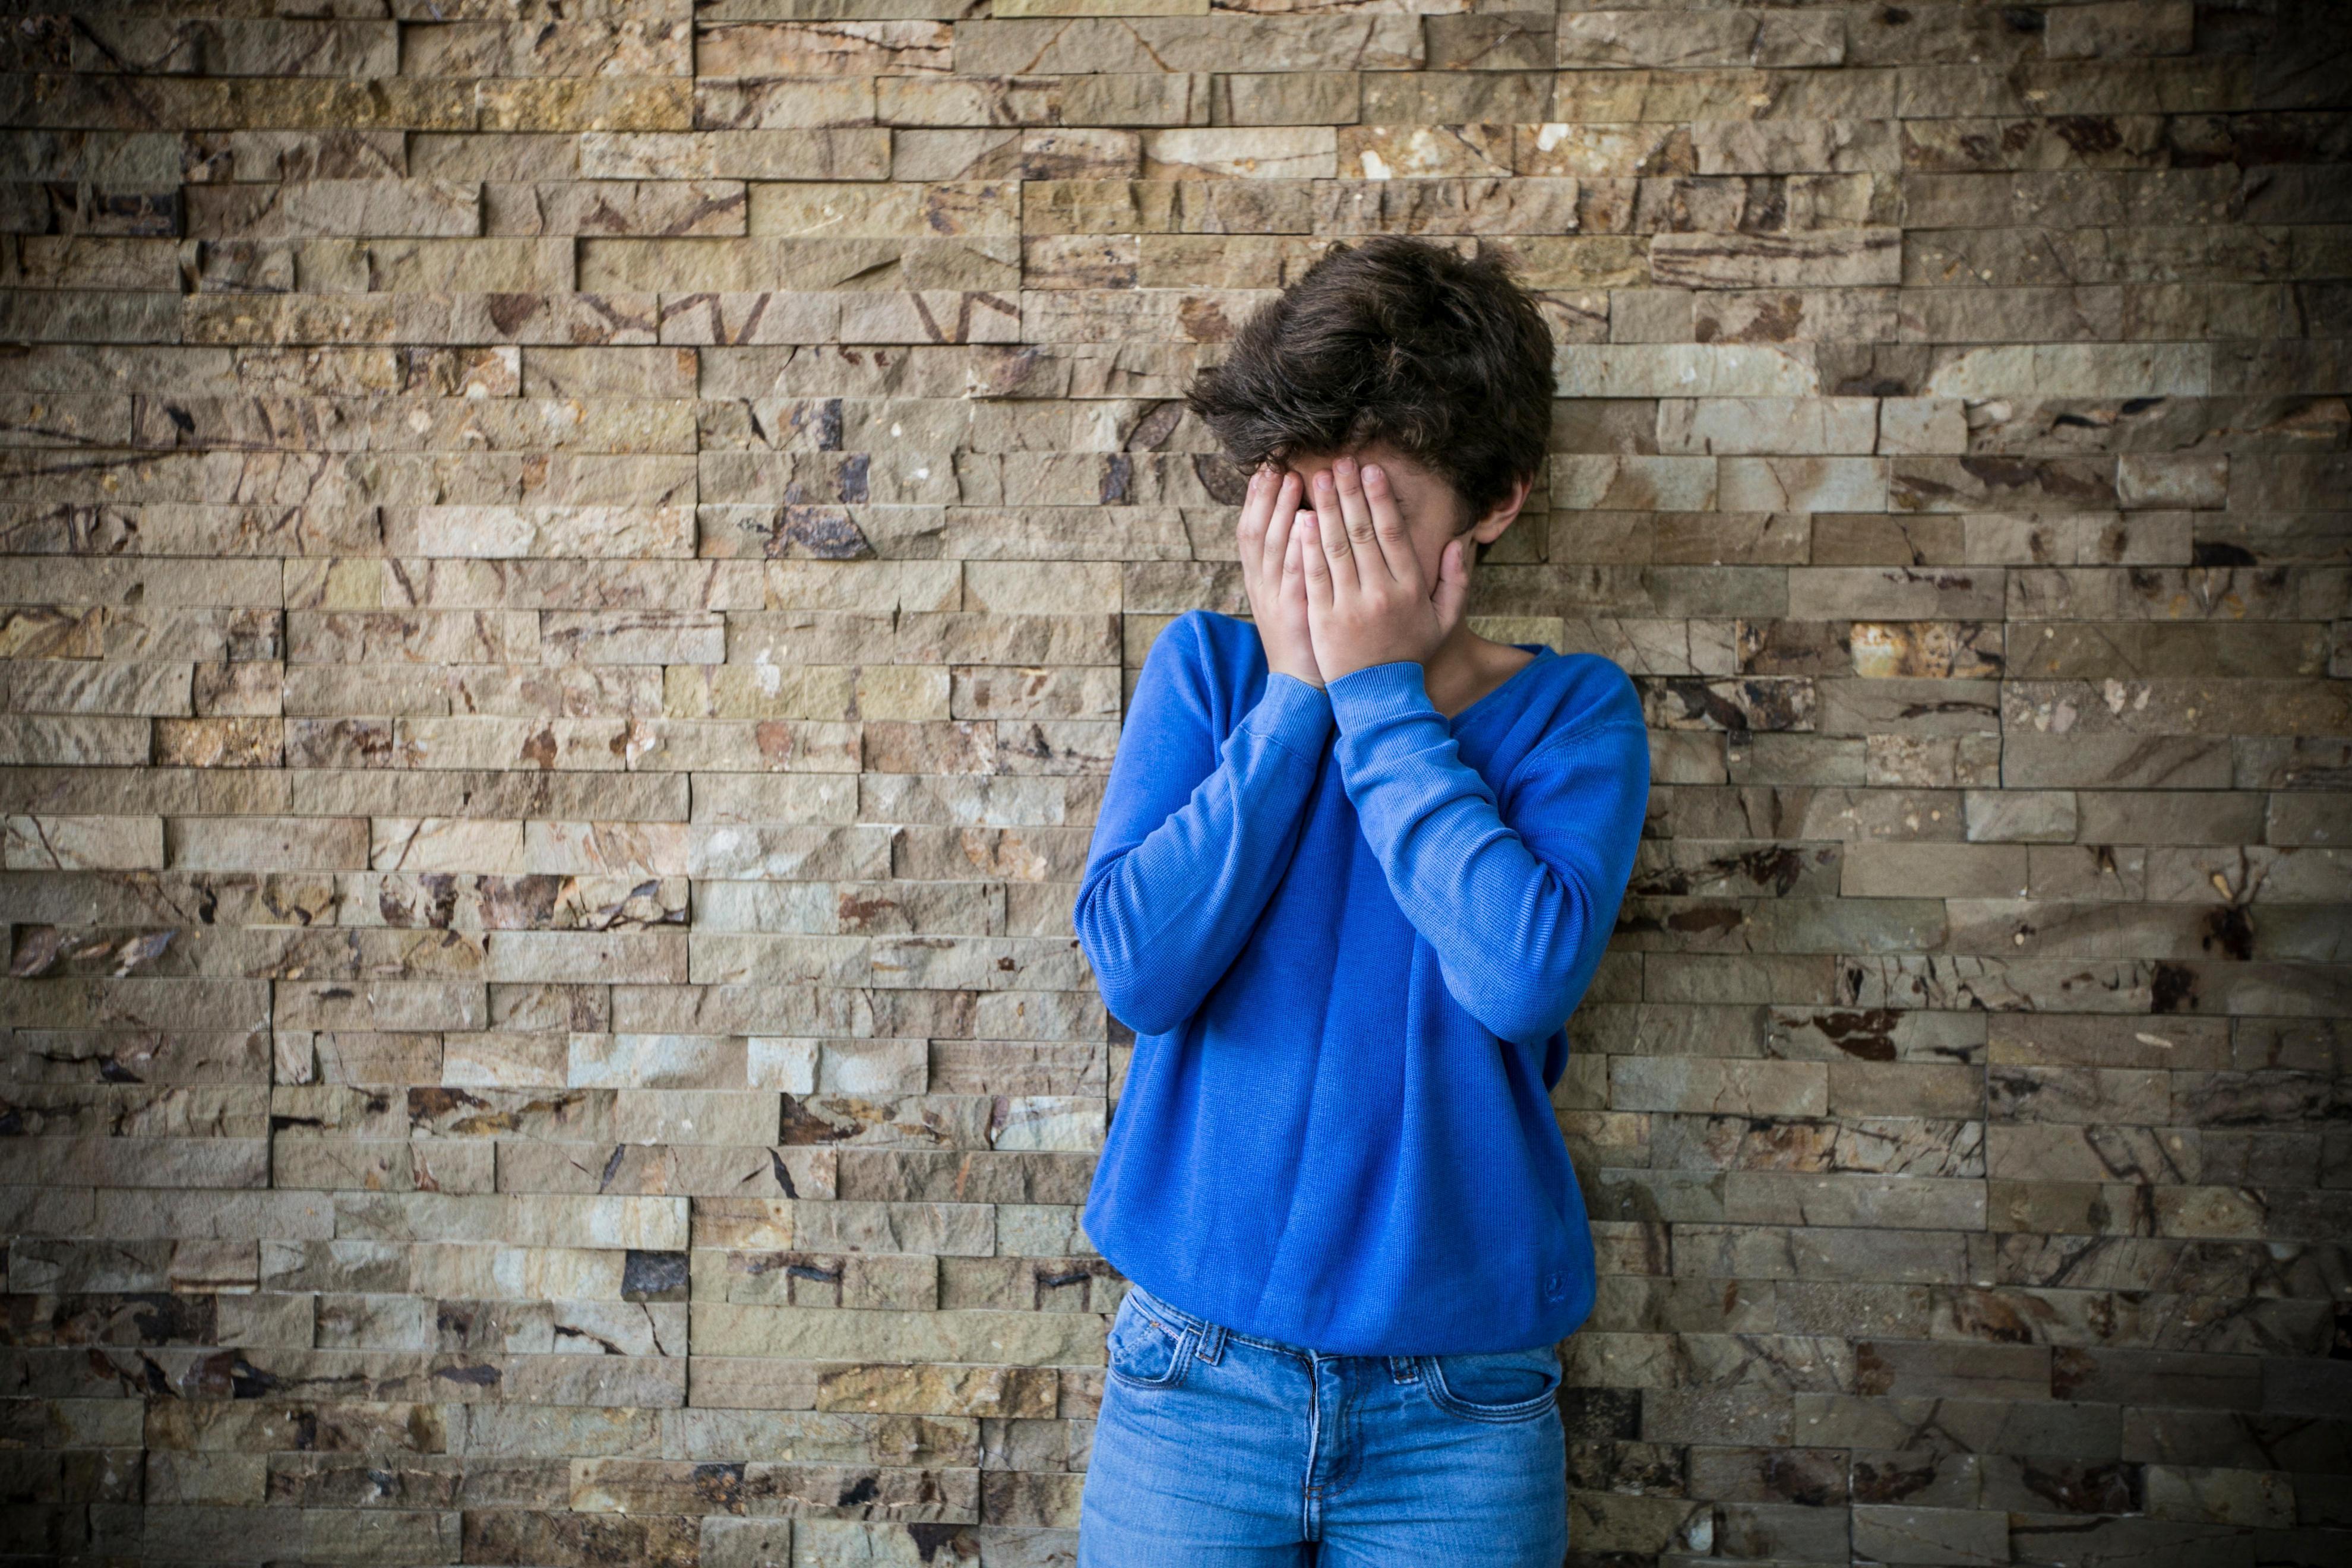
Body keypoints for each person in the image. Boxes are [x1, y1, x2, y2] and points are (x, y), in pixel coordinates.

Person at [1069, 235, 1652, 1566]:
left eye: (1372, 516)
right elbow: (1138, 973)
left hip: (1460, 1409)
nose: (1325, 555)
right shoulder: (1208, 672)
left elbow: (1518, 977)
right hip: (1193, 1385)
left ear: (1494, 504)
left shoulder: (1573, 716)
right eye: (1299, 507)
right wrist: (1292, 699)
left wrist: (1381, 695)